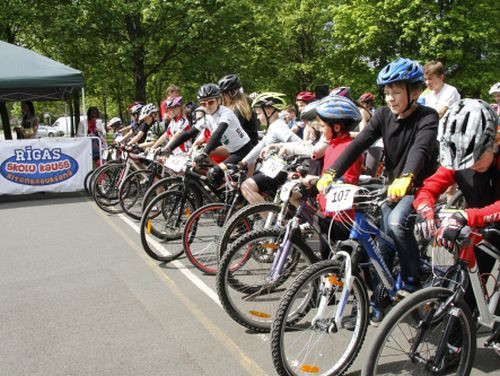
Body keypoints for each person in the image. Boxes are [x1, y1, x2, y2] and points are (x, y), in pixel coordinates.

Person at [317, 58, 439, 324]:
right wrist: (331, 172)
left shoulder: (427, 117)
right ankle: (379, 298)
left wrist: (407, 176)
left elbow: (421, 148)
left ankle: (411, 279)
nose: (391, 98)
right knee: (381, 242)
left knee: (396, 224)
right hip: (393, 187)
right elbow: (358, 144)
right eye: (387, 93)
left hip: (419, 187)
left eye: (396, 92)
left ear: (414, 92)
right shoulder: (383, 115)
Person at [413, 98, 499, 364]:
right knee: (471, 281)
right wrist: (425, 208)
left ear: (494, 140)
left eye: (476, 158)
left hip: (485, 214)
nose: (470, 165)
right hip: (482, 220)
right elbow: (428, 188)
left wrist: (466, 215)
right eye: (465, 160)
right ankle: (454, 345)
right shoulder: (459, 152)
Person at [299, 95, 363, 259]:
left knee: (339, 260)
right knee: (325, 255)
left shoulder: (349, 147)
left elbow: (347, 180)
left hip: (342, 217)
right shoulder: (332, 145)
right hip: (327, 212)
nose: (320, 129)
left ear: (336, 127)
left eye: (322, 125)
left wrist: (316, 180)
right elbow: (327, 175)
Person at [164, 83, 253, 186]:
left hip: (244, 150)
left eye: (210, 102)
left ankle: (231, 192)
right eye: (203, 104)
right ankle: (227, 188)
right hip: (232, 151)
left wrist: (205, 153)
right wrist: (168, 149)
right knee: (200, 166)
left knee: (214, 173)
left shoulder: (225, 113)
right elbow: (188, 134)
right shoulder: (208, 117)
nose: (207, 106)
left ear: (218, 100)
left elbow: (218, 133)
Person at [239, 92, 302, 205]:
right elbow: (261, 145)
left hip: (281, 170)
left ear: (268, 112)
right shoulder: (273, 126)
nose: (257, 117)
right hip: (272, 169)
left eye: (258, 113)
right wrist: (243, 162)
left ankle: (270, 221)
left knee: (247, 187)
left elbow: (299, 144)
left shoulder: (278, 127)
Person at [218, 74, 259, 146]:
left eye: (224, 94)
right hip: (243, 144)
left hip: (247, 147)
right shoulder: (242, 103)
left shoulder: (239, 107)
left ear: (232, 93)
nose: (222, 97)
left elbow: (230, 130)